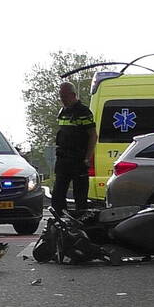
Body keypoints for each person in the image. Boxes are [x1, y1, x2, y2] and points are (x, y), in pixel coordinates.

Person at [51, 82, 96, 215]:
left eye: (64, 96)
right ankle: (59, 218)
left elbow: (93, 135)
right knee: (58, 193)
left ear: (73, 95)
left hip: (78, 158)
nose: (62, 99)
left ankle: (81, 219)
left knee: (80, 195)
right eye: (61, 96)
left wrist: (87, 158)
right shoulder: (63, 112)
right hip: (63, 158)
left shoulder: (83, 112)